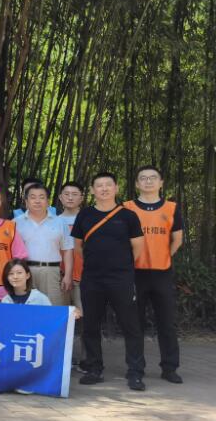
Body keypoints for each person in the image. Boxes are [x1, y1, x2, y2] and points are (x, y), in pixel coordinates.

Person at [71, 172, 147, 391]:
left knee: (130, 325)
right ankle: (94, 368)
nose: (104, 189)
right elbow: (78, 246)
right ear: (92, 190)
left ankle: (135, 372)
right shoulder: (85, 214)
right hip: (92, 278)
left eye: (108, 185)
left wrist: (121, 265)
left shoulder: (128, 216)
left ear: (116, 188)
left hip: (121, 278)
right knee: (91, 325)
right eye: (99, 185)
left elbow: (138, 247)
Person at [123, 165, 184, 383]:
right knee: (134, 323)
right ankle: (135, 368)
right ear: (136, 183)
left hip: (162, 273)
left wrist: (164, 255)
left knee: (166, 322)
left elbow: (177, 239)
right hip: (134, 273)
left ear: (161, 183)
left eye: (152, 178)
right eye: (143, 178)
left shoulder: (171, 208)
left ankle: (170, 367)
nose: (148, 181)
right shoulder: (127, 208)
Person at [15, 182, 74, 306]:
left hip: (51, 272)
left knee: (53, 307)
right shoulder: (15, 223)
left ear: (48, 201)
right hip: (24, 272)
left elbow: (68, 249)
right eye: (33, 197)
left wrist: (68, 275)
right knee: (26, 309)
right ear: (26, 201)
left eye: (42, 197)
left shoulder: (60, 222)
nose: (37, 201)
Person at [57, 181, 86, 312]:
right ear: (60, 197)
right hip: (59, 275)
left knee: (84, 313)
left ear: (81, 198)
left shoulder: (89, 219)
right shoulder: (54, 221)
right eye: (66, 194)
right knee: (61, 314)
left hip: (84, 275)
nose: (70, 197)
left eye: (74, 194)